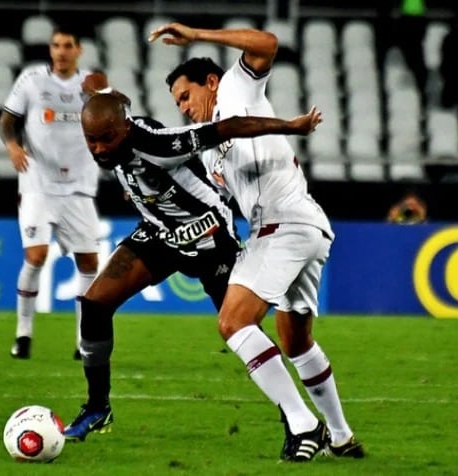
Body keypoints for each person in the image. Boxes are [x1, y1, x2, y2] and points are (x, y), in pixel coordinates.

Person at [62, 93, 323, 462]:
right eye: (92, 140)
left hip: (210, 239)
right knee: (94, 304)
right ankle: (97, 408)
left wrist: (290, 126)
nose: (100, 148)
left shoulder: (157, 144)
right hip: (161, 235)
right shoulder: (113, 141)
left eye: (107, 138)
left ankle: (298, 421)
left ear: (125, 127)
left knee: (242, 330)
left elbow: (227, 127)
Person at [149, 23, 364, 460]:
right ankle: (341, 437)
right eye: (178, 104)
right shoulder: (210, 148)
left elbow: (267, 43)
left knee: (232, 322)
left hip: (283, 225)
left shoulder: (234, 89)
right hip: (304, 228)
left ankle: (304, 426)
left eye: (186, 96)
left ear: (210, 82)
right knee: (295, 340)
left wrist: (195, 34)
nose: (185, 108)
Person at [0, 26, 105, 360]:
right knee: (36, 256)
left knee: (88, 262)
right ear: (50, 49)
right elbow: (6, 121)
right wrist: (13, 145)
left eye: (67, 46)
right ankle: (23, 334)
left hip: (79, 187)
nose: (61, 51)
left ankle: (82, 340)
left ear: (79, 50)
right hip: (37, 185)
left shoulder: (93, 85)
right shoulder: (31, 80)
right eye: (56, 45)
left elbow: (114, 124)